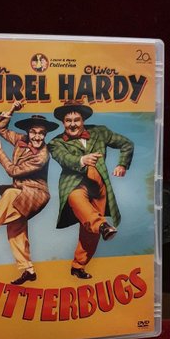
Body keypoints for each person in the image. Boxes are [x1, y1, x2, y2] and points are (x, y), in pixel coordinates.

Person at [48, 101, 134, 279]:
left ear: (83, 120)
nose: (72, 124)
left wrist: (122, 165)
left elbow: (127, 144)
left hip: (99, 186)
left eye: (76, 120)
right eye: (68, 120)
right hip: (74, 184)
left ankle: (78, 266)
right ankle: (102, 225)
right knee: (80, 203)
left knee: (89, 231)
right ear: (63, 122)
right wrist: (82, 160)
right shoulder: (55, 143)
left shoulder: (100, 132)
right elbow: (64, 159)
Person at [0, 101, 59, 285]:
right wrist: (12, 109)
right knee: (15, 230)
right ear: (28, 132)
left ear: (45, 134)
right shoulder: (21, 140)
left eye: (41, 133)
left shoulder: (42, 156)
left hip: (36, 194)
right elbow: (0, 128)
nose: (37, 137)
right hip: (22, 192)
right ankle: (28, 270)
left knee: (10, 194)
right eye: (34, 132)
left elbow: (13, 171)